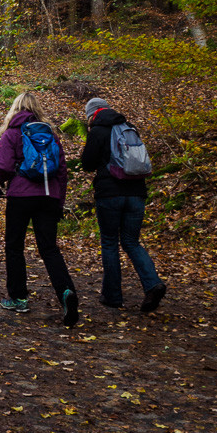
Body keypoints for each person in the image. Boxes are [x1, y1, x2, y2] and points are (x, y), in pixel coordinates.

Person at [0, 90, 79, 326]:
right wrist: (59, 201)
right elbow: (62, 171)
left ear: (16, 108)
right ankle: (66, 293)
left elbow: (4, 166)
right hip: (49, 196)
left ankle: (19, 298)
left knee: (14, 246)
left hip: (20, 196)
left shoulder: (11, 133)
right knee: (49, 248)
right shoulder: (51, 135)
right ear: (37, 109)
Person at [80, 97, 167, 313]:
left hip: (109, 194)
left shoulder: (98, 131)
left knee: (110, 242)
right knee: (131, 241)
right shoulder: (129, 127)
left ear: (93, 114)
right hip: (137, 193)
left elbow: (87, 164)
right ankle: (153, 284)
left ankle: (112, 296)